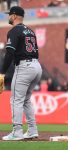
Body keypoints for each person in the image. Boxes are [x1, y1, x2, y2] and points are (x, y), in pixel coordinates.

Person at [0, 6, 42, 140]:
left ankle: (17, 132)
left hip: (24, 67)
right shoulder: (30, 31)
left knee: (15, 100)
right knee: (26, 100)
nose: (8, 17)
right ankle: (32, 130)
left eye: (10, 15)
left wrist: (2, 72)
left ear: (14, 16)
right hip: (36, 66)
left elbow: (10, 53)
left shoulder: (14, 30)